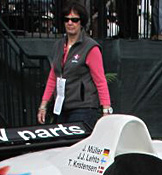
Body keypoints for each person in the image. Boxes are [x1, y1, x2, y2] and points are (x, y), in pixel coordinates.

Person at [37, 3, 112, 131]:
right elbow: (53, 77)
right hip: (62, 107)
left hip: (84, 108)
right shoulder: (58, 45)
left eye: (74, 20)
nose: (70, 23)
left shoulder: (90, 47)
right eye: (66, 19)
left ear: (81, 22)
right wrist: (43, 105)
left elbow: (100, 81)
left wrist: (106, 109)